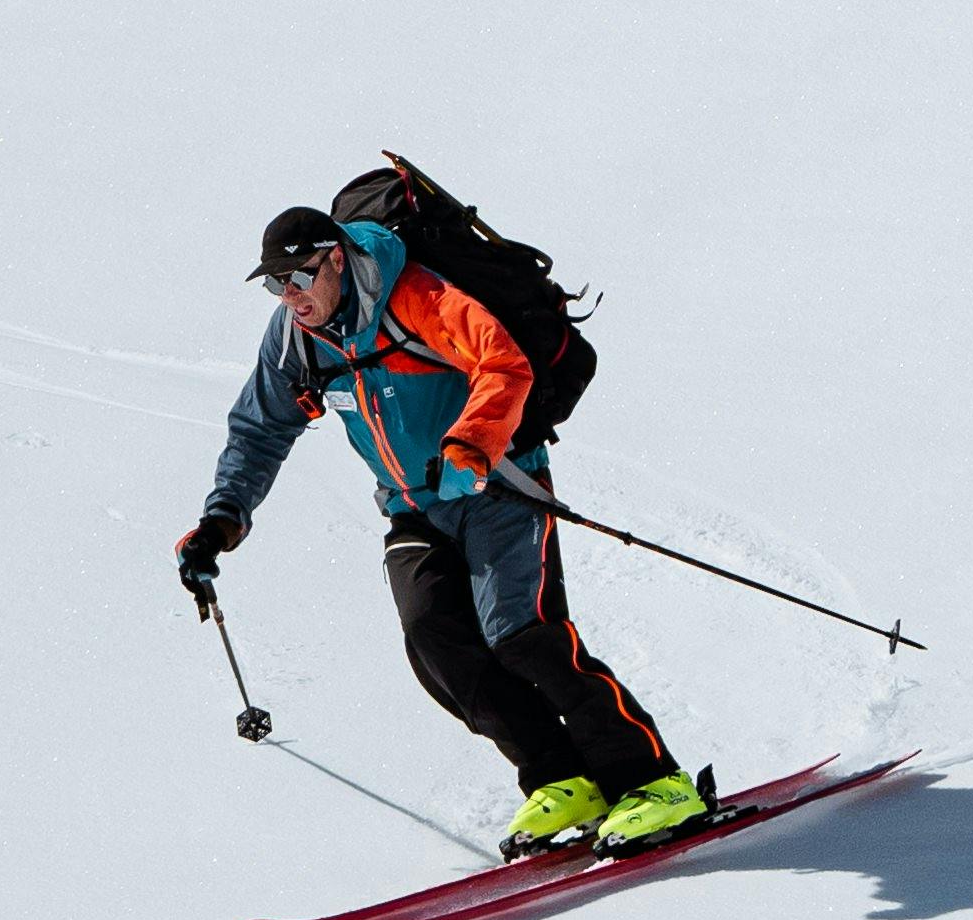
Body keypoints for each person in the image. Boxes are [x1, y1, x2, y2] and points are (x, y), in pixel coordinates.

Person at [175, 193, 710, 855]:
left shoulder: (417, 297)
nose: (290, 296)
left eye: (300, 276)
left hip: (496, 484)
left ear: (336, 259)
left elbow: (502, 361)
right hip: (411, 504)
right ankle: (564, 778)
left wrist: (473, 443)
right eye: (276, 285)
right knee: (435, 639)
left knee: (524, 634)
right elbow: (259, 428)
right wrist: (220, 521)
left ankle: (655, 783)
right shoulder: (296, 339)